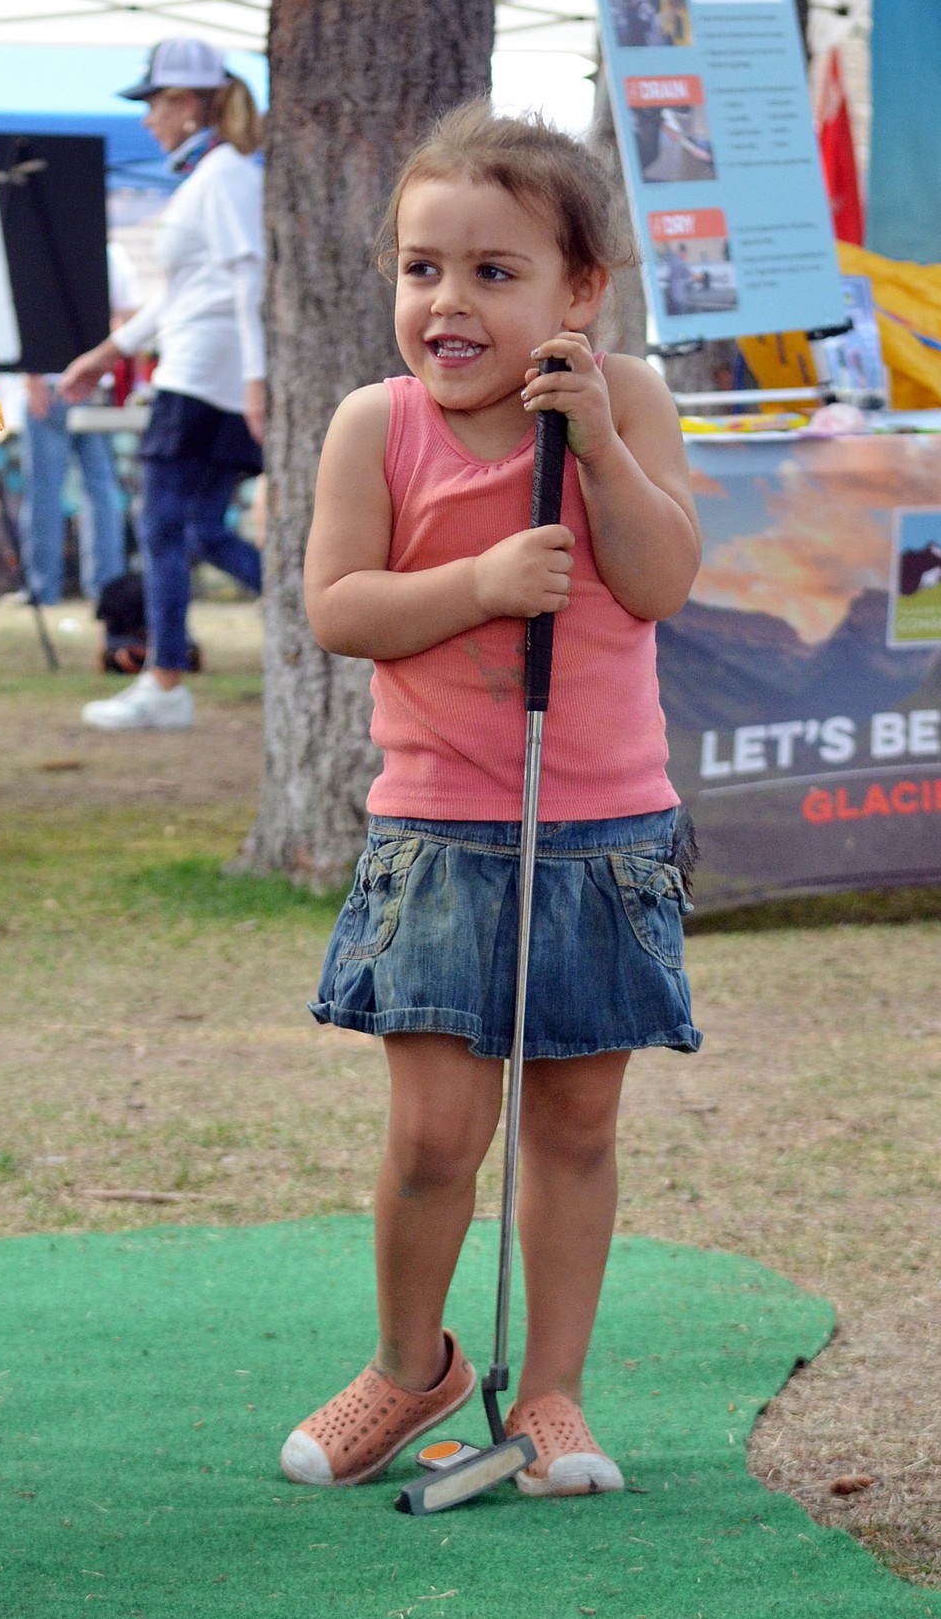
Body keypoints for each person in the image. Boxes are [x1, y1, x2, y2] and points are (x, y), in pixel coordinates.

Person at [279, 104, 702, 1499]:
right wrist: (475, 587)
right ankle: (414, 1371)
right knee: (432, 1137)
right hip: (439, 833)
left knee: (572, 1126)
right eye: (421, 269)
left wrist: (595, 448)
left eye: (493, 272)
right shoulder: (371, 426)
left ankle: (557, 1393)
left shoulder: (626, 400)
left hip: (601, 832)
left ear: (580, 290)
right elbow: (336, 605)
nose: (447, 302)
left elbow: (656, 580)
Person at [60, 39, 265, 732]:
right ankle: (321, 627)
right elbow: (184, 293)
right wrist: (104, 353)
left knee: (164, 529)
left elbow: (248, 279)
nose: (148, 120)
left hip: (204, 381)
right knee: (202, 530)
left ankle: (166, 680)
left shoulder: (225, 174)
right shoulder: (215, 174)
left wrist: (258, 382)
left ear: (184, 103)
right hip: (209, 377)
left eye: (153, 104)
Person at [19, 243, 136, 606]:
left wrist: (32, 378)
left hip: (58, 385)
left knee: (47, 491)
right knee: (99, 490)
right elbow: (128, 317)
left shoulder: (35, 254)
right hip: (90, 385)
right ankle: (105, 587)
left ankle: (44, 589)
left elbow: (23, 315)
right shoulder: (112, 255)